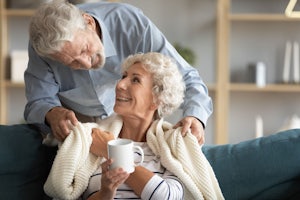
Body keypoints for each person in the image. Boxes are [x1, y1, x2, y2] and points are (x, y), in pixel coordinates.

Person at [24, 0, 212, 144]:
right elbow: (38, 101)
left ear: (88, 22)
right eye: (70, 63)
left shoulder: (130, 23)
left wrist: (195, 116)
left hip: (132, 119)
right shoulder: (42, 49)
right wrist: (52, 112)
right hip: (79, 125)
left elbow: (185, 77)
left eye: (84, 50)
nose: (85, 63)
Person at [43, 52, 224, 200]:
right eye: (123, 77)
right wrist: (106, 192)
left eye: (135, 80)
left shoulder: (171, 146)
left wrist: (111, 151)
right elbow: (68, 194)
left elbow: (167, 197)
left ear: (157, 99)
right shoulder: (90, 138)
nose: (120, 85)